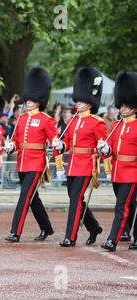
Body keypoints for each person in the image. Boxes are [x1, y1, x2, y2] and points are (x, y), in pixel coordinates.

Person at [53, 67, 106, 247]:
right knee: (75, 198)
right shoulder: (72, 121)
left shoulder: (97, 122)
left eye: (82, 100)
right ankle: (94, 227)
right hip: (72, 164)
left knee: (75, 200)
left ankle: (71, 236)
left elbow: (102, 144)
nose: (78, 103)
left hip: (86, 165)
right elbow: (67, 141)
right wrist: (61, 145)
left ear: (90, 103)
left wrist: (101, 148)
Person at [5, 67, 57, 242]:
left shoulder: (46, 119)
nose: (28, 101)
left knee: (24, 196)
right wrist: (10, 146)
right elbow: (17, 141)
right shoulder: (21, 118)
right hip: (22, 161)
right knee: (33, 198)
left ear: (39, 101)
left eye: (32, 99)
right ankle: (46, 227)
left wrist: (58, 145)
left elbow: (55, 139)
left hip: (36, 162)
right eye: (27, 98)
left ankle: (15, 232)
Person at [98, 71, 137, 251]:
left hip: (132, 172)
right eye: (120, 105)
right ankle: (129, 233)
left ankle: (112, 240)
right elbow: (110, 149)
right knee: (128, 205)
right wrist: (105, 150)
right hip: (117, 172)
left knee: (121, 206)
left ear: (134, 107)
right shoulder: (115, 126)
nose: (121, 109)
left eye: (125, 106)